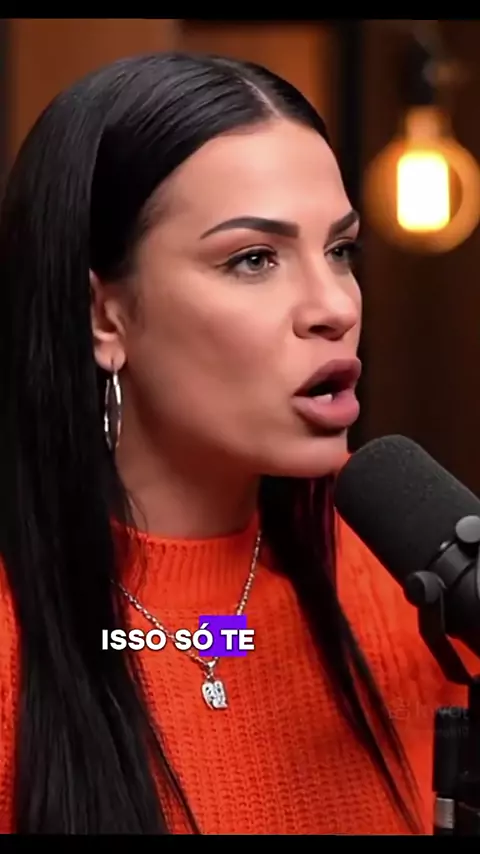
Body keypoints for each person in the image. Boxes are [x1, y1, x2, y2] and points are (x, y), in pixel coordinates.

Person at [0, 51, 470, 836]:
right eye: (254, 259)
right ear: (104, 317)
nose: (333, 307)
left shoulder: (417, 584)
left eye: (341, 251)